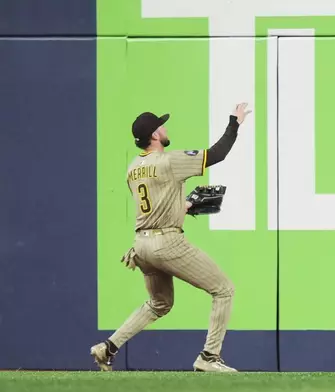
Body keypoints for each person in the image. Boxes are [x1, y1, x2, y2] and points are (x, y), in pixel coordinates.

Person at [90, 103, 252, 372]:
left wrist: (184, 206)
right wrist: (235, 122)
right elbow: (217, 154)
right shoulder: (169, 160)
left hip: (141, 245)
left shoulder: (133, 169)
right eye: (161, 125)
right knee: (224, 290)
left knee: (159, 303)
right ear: (154, 135)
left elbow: (156, 204)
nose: (165, 128)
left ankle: (108, 347)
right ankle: (209, 357)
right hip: (167, 242)